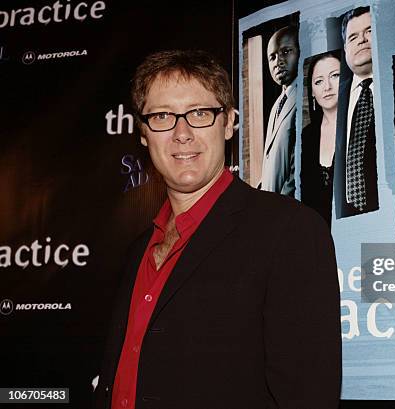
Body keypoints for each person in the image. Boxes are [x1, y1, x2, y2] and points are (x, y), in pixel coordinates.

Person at [93, 50, 341, 409]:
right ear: (144, 134)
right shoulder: (138, 251)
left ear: (228, 123)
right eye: (162, 116)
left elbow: (307, 396)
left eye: (199, 113)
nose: (182, 134)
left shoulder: (290, 232)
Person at [334, 6, 379, 218]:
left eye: (369, 31)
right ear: (345, 49)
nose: (361, 40)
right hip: (346, 219)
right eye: (353, 37)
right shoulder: (332, 99)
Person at [300, 51, 341, 227]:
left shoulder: (362, 124)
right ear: (313, 91)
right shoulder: (307, 136)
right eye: (319, 81)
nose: (327, 87)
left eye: (335, 76)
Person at [260, 26, 299, 197]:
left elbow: (298, 166)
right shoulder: (277, 105)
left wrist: (278, 207)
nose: (278, 61)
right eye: (272, 57)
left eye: (286, 51)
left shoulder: (306, 95)